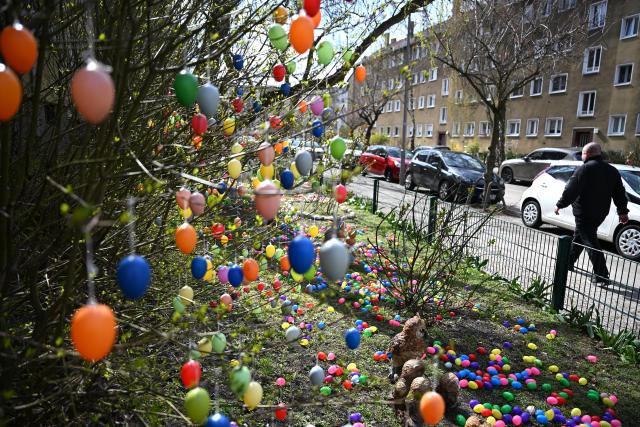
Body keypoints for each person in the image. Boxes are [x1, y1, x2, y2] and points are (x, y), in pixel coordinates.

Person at [555, 142, 629, 287]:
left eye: (582, 153)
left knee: (590, 241)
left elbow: (571, 189)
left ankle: (601, 275)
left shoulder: (585, 169)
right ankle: (567, 263)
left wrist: (560, 204)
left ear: (586, 154)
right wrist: (622, 211)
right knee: (580, 236)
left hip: (584, 213)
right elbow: (620, 193)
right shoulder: (612, 170)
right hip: (601, 213)